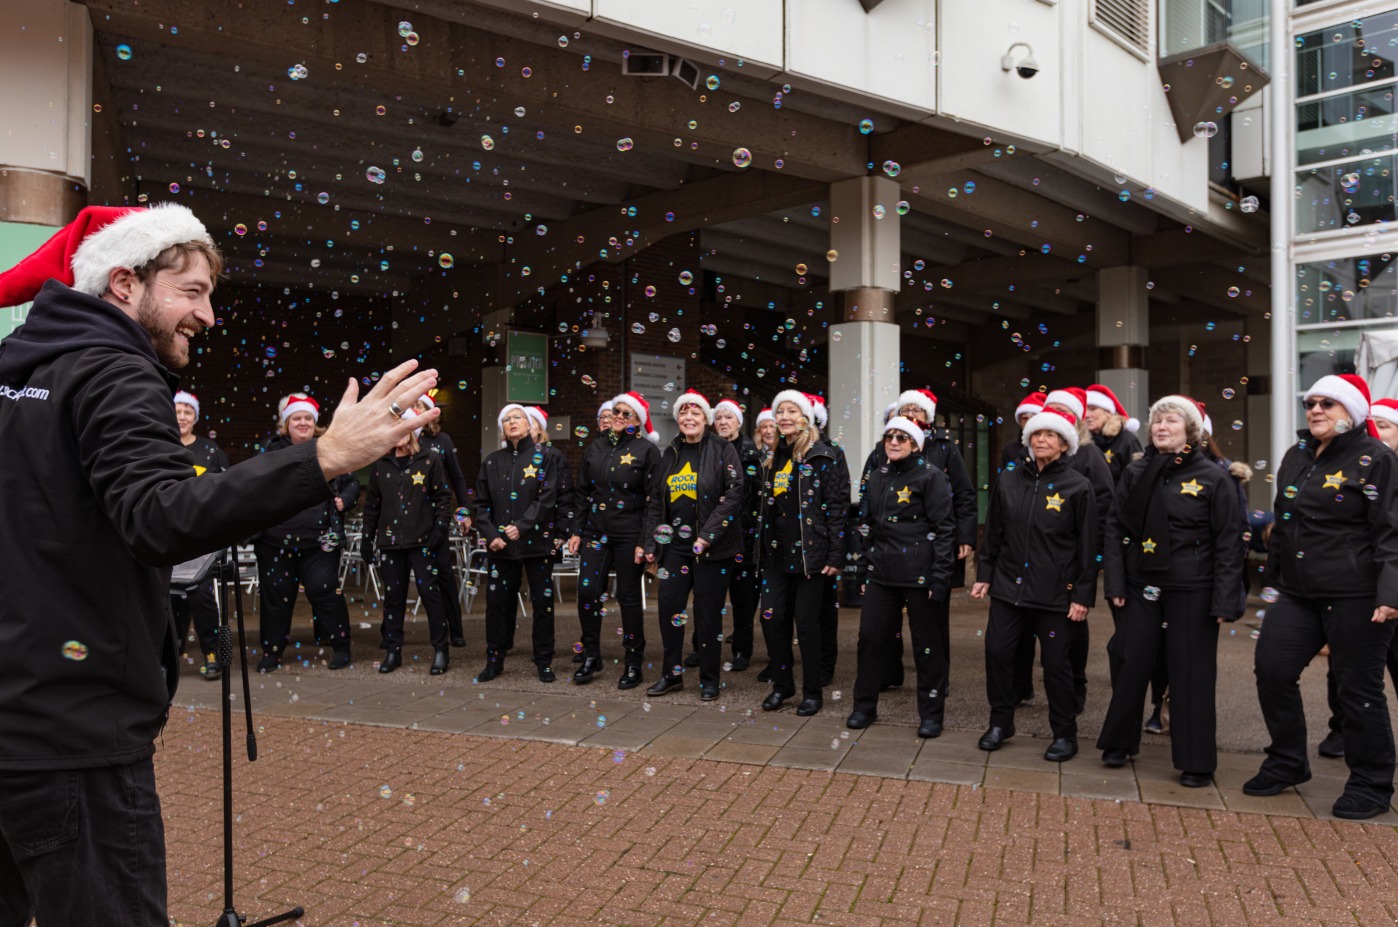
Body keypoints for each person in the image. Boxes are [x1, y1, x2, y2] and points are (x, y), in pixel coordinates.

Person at [0, 202, 438, 926]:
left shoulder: (18, 374)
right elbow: (159, 515)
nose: (208, 316)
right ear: (121, 284)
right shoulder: (114, 372)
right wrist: (323, 455)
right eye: (192, 291)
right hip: (72, 735)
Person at [1246, 374, 1398, 820]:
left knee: (1358, 689)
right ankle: (1287, 761)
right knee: (1271, 669)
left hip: (1357, 594)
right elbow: (1285, 518)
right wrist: (1273, 577)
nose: (1315, 410)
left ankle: (1371, 783)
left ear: (1350, 412)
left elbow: (1391, 531)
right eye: (1311, 402)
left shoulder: (1377, 458)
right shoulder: (1297, 454)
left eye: (1327, 403)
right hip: (1297, 592)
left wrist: (1389, 594)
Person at [1096, 396, 1244, 787]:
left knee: (1191, 672)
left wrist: (1226, 598)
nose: (1161, 426)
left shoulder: (1214, 477)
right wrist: (1114, 583)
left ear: (1191, 431)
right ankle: (1119, 742)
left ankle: (1196, 760)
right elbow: (1116, 529)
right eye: (1156, 421)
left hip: (1193, 588)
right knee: (1130, 661)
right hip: (1140, 582)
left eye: (1171, 420)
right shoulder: (1137, 472)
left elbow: (1229, 540)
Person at [972, 407, 1098, 762]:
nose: (1041, 440)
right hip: (1008, 588)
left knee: (1057, 664)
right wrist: (984, 574)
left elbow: (1089, 547)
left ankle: (1064, 732)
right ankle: (1000, 722)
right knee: (997, 652)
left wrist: (1082, 595)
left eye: (1050, 436)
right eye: (1036, 435)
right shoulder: (1009, 480)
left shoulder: (1078, 486)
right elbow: (993, 533)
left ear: (1064, 445)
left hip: (1057, 595)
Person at [859, 388, 975, 697]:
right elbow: (868, 499)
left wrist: (966, 535)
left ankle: (938, 681)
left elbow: (963, 495)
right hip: (886, 556)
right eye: (905, 410)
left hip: (928, 552)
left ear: (926, 419)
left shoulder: (944, 450)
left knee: (931, 626)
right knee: (882, 624)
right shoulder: (881, 453)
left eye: (916, 412)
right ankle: (889, 672)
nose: (910, 416)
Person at [846, 416, 956, 736]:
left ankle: (932, 715)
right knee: (870, 639)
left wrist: (940, 577)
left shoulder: (932, 477)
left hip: (920, 576)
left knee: (927, 647)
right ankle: (863, 707)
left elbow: (945, 530)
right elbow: (866, 525)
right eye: (889, 437)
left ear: (915, 444)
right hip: (882, 574)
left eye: (902, 438)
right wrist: (868, 564)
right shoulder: (878, 477)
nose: (894, 442)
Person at [642, 391, 743, 699]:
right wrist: (651, 543)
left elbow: (735, 492)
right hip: (675, 547)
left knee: (708, 615)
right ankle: (671, 675)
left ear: (706, 419)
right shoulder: (670, 452)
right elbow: (657, 503)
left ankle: (709, 679)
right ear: (677, 418)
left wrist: (707, 535)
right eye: (684, 413)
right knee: (669, 608)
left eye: (696, 413)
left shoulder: (722, 449)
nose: (689, 418)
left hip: (713, 548)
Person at [1316, 398, 1398, 759]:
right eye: (1374, 425)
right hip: (1365, 584)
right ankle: (1342, 728)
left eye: (1387, 426)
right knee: (1347, 667)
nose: (1377, 433)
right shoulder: (1359, 469)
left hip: (1393, 585)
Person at [756, 389, 846, 716]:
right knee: (772, 617)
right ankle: (783, 685)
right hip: (776, 554)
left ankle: (812, 692)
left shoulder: (825, 455)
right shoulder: (774, 458)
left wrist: (836, 555)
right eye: (779, 412)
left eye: (791, 411)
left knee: (807, 624)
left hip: (811, 553)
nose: (784, 417)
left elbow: (837, 508)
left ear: (806, 416)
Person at [253, 394, 359, 671]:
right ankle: (272, 652)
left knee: (324, 590)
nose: (303, 423)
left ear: (315, 423)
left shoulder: (328, 448)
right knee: (276, 597)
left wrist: (344, 500)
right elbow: (252, 486)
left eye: (308, 418)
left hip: (320, 542)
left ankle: (341, 646)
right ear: (286, 423)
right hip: (275, 543)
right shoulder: (270, 450)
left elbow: (352, 482)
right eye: (296, 418)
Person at [570, 391, 662, 688]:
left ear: (639, 421)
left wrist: (646, 541)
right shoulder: (595, 447)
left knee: (628, 597)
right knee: (587, 593)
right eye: (616, 412)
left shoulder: (647, 451)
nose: (619, 417)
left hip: (628, 534)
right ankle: (591, 654)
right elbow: (583, 493)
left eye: (627, 414)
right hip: (596, 532)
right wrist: (576, 530)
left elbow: (653, 500)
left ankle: (633, 662)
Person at [472, 403, 563, 683]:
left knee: (542, 603)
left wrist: (521, 527)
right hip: (501, 546)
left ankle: (544, 661)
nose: (512, 422)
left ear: (529, 424)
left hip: (537, 543)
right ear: (502, 428)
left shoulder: (544, 457)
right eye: (507, 419)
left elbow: (547, 498)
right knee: (497, 603)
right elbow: (479, 503)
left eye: (518, 418)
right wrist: (491, 535)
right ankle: (495, 658)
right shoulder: (492, 461)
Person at [1039, 387, 1114, 714]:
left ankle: (1076, 683)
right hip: (1042, 556)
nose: (1055, 415)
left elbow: (1103, 505)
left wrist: (1090, 553)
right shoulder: (1036, 452)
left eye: (1062, 410)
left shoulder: (1088, 454)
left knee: (1074, 620)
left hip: (1074, 555)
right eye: (1050, 409)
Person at [362, 410, 453, 673]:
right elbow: (373, 505)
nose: (400, 433)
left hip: (423, 541)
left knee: (430, 595)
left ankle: (440, 650)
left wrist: (440, 529)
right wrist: (367, 538)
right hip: (390, 544)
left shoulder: (429, 460)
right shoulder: (381, 465)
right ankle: (393, 650)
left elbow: (443, 499)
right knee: (393, 598)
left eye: (404, 427)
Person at [168, 389, 229, 680]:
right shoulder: (159, 445)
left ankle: (211, 653)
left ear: (195, 417)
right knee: (170, 598)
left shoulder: (210, 450)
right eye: (177, 411)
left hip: (200, 537)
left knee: (201, 598)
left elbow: (224, 490)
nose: (181, 417)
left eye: (187, 412)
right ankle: (171, 652)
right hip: (168, 535)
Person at [697, 397, 761, 671]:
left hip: (741, 538)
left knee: (742, 598)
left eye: (729, 418)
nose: (723, 422)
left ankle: (742, 650)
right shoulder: (707, 448)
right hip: (712, 535)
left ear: (738, 422)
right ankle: (699, 647)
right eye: (719, 418)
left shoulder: (749, 452)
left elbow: (754, 498)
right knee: (706, 597)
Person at [414, 393, 470, 648]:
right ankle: (389, 632)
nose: (415, 410)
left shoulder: (442, 440)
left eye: (420, 406)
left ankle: (455, 629)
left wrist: (464, 510)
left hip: (437, 516)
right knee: (401, 576)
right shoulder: (402, 437)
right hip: (408, 517)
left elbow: (457, 477)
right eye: (411, 406)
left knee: (444, 574)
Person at [810, 393, 852, 687]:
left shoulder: (832, 452)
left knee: (824, 608)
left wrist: (836, 552)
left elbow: (838, 504)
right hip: (791, 547)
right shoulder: (782, 452)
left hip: (821, 543)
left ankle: (825, 665)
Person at [1084, 383, 1143, 482]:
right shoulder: (1082, 442)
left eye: (1092, 409)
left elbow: (1137, 477)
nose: (1086, 415)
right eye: (1084, 409)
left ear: (1108, 413)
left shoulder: (1127, 440)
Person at [998, 391, 1045, 471]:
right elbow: (1002, 479)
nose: (1029, 422)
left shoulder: (1052, 446)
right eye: (1025, 418)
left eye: (1034, 417)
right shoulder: (1010, 449)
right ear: (1019, 421)